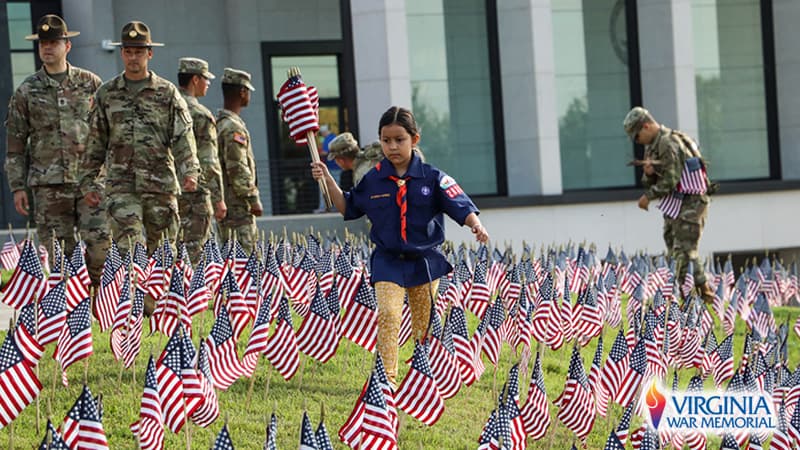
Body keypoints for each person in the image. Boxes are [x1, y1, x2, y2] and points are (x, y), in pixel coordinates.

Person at [311, 106, 490, 386]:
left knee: (425, 325)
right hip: (388, 260)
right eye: (386, 140)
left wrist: (475, 224)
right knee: (389, 314)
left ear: (414, 139)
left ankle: (425, 379)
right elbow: (348, 205)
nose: (392, 146)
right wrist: (327, 179)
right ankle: (386, 381)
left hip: (424, 261)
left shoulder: (432, 177)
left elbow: (459, 202)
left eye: (399, 139)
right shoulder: (373, 178)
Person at [4, 14, 109, 286]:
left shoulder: (90, 83)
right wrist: (17, 186)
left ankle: (98, 303)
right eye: (43, 43)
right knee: (61, 256)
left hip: (90, 183)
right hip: (48, 187)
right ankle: (73, 313)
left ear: (67, 46)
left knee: (100, 248)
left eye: (53, 42)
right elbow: (15, 142)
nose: (47, 48)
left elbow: (108, 133)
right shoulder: (26, 91)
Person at [80, 21, 200, 257]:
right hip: (122, 187)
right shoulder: (107, 94)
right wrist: (88, 182)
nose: (133, 58)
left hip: (160, 185)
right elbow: (95, 141)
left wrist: (190, 171)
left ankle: (158, 296)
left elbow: (182, 136)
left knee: (164, 255)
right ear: (122, 53)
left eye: (139, 52)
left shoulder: (167, 93)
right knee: (127, 254)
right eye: (128, 52)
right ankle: (132, 296)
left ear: (150, 53)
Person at [623, 106, 714, 303]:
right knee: (675, 250)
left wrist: (648, 196)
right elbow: (653, 180)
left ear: (646, 126)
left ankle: (705, 297)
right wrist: (649, 175)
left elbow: (672, 179)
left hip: (691, 202)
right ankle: (689, 297)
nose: (637, 141)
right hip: (675, 204)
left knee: (685, 250)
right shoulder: (652, 146)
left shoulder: (668, 142)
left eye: (637, 136)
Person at [176, 57, 226, 264]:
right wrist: (218, 198)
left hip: (165, 191)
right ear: (195, 80)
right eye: (206, 79)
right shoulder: (200, 114)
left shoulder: (166, 106)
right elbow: (208, 161)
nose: (208, 83)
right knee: (196, 253)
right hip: (194, 194)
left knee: (169, 250)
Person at [216, 67, 261, 254]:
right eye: (248, 91)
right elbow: (238, 167)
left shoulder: (220, 123)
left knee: (231, 258)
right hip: (238, 207)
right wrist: (253, 198)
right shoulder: (233, 127)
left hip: (228, 204)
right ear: (242, 92)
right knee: (246, 261)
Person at [314, 124, 339, 213]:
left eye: (322, 133)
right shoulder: (334, 137)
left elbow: (325, 152)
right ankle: (336, 206)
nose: (322, 135)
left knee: (325, 187)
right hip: (336, 167)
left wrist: (316, 152)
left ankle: (324, 207)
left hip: (331, 168)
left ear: (324, 131)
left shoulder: (328, 139)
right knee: (336, 187)